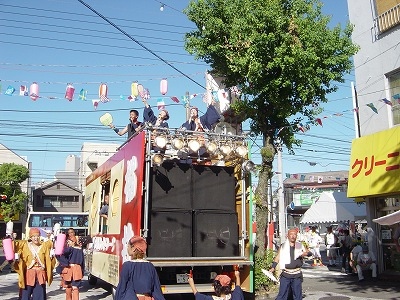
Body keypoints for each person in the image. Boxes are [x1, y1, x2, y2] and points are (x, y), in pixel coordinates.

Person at [115, 236, 165, 300]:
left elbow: (122, 288)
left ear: (133, 248)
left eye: (128, 246)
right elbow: (156, 288)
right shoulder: (150, 266)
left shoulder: (127, 266)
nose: (127, 248)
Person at [13, 227, 56, 300]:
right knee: (25, 297)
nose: (36, 238)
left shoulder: (44, 245)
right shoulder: (25, 245)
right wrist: (11, 237)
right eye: (33, 236)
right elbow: (14, 246)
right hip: (29, 274)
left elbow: (52, 246)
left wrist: (52, 256)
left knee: (40, 297)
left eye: (37, 236)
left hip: (40, 275)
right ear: (30, 237)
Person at [269, 228, 311, 300]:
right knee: (282, 295)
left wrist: (305, 254)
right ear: (287, 236)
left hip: (297, 275)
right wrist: (273, 267)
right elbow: (277, 258)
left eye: (295, 234)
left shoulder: (299, 245)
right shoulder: (283, 246)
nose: (293, 236)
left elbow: (310, 253)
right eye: (291, 234)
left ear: (296, 236)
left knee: (297, 296)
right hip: (286, 275)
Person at [56, 235, 85, 300]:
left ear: (73, 242)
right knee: (75, 287)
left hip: (69, 269)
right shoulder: (80, 250)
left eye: (69, 241)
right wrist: (82, 272)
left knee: (69, 286)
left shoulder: (70, 249)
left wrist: (57, 252)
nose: (68, 242)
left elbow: (60, 253)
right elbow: (83, 262)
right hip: (78, 269)